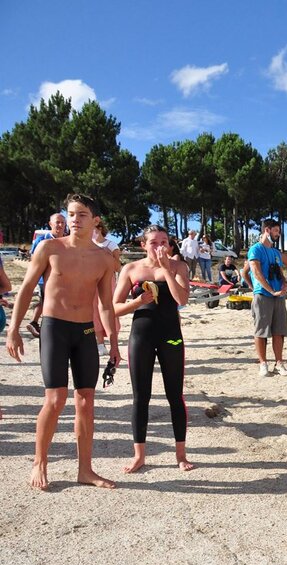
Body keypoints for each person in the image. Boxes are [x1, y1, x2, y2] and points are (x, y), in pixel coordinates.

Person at [5, 194, 121, 490]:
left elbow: (106, 305)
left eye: (81, 214)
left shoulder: (104, 259)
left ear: (96, 221)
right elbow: (26, 288)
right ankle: (39, 462)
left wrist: (114, 343)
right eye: (71, 213)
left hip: (84, 332)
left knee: (86, 401)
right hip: (54, 328)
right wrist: (14, 329)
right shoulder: (49, 248)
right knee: (55, 400)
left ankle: (86, 470)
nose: (74, 219)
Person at [113, 225, 193, 473]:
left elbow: (181, 300)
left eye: (164, 242)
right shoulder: (131, 269)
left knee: (175, 396)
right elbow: (113, 307)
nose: (160, 246)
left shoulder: (179, 267)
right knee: (141, 397)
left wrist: (167, 269)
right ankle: (139, 456)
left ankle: (181, 454)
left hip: (170, 336)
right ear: (143, 245)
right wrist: (137, 302)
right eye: (154, 242)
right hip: (141, 336)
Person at [248, 218, 287, 377]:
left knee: (279, 331)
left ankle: (279, 363)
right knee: (261, 330)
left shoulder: (277, 253)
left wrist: (285, 285)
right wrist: (271, 290)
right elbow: (256, 273)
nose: (278, 234)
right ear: (267, 230)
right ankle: (263, 363)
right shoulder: (255, 249)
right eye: (276, 231)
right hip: (263, 295)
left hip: (279, 297)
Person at [26, 212, 67, 337]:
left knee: (55, 301)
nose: (60, 225)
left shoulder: (68, 240)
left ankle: (39, 324)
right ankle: (37, 323)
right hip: (45, 279)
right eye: (57, 222)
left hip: (64, 279)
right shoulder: (41, 240)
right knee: (47, 301)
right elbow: (34, 260)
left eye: (63, 223)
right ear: (50, 224)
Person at [91, 220, 122, 357]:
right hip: (91, 281)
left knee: (108, 308)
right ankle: (99, 343)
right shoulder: (87, 245)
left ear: (100, 229)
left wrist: (105, 253)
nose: (93, 231)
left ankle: (112, 342)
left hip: (108, 281)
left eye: (95, 228)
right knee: (94, 311)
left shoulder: (111, 245)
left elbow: (117, 266)